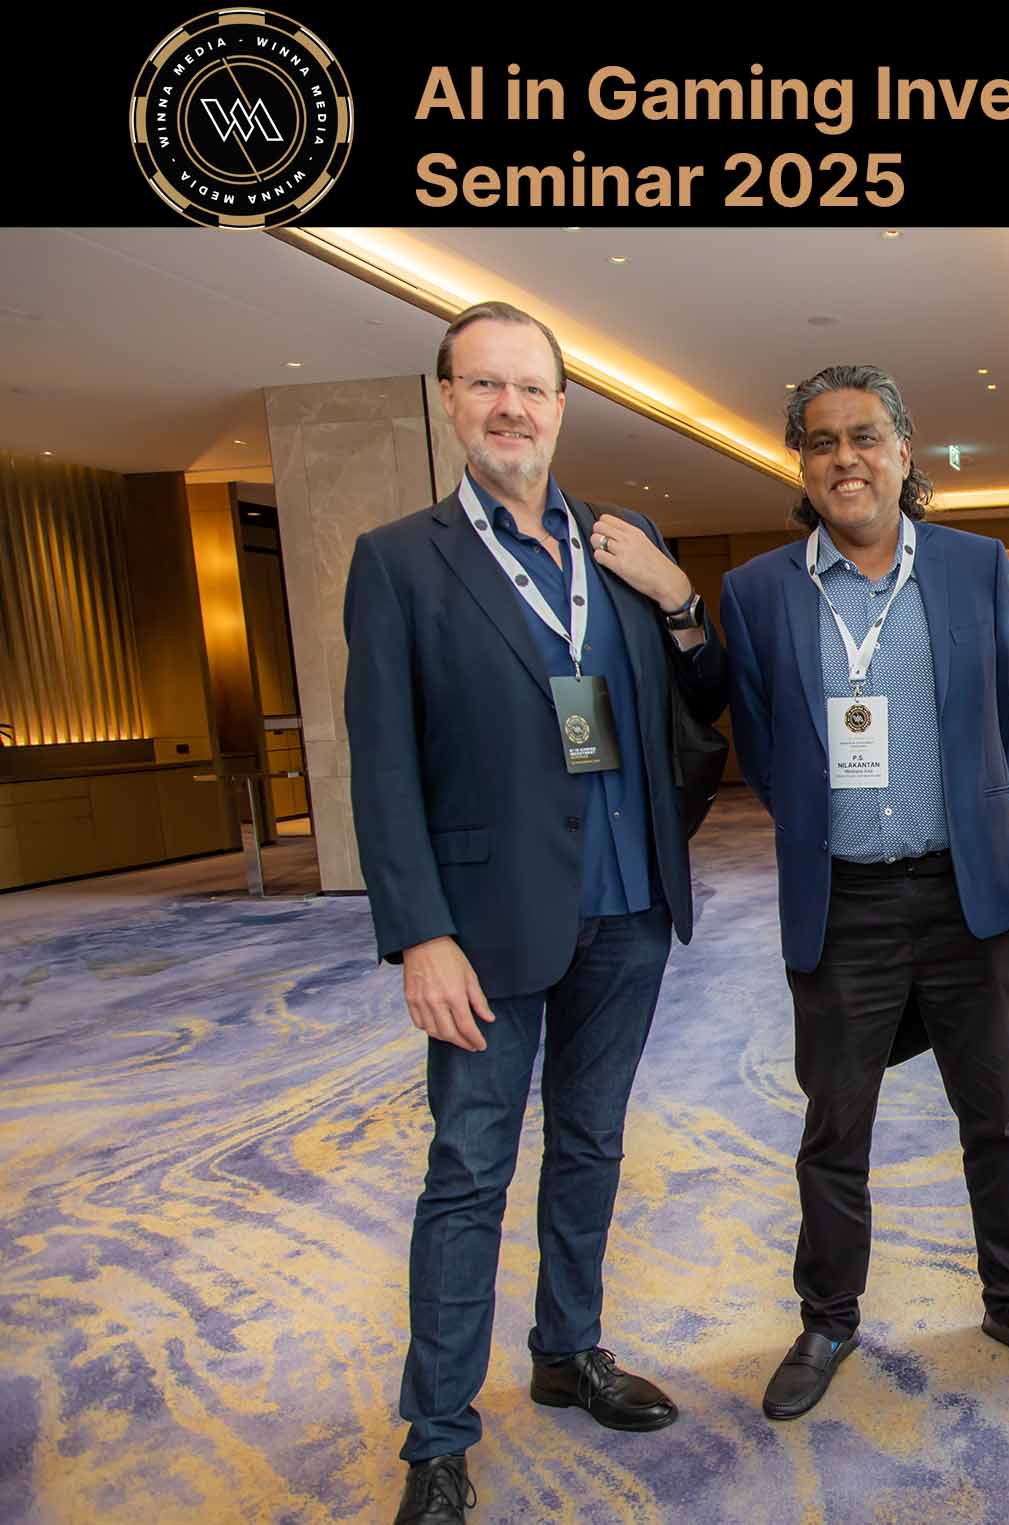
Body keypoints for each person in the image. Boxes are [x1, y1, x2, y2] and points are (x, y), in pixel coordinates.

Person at [343, 301, 727, 1523]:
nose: (510, 407)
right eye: (485, 384)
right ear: (449, 401)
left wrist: (680, 599)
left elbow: (710, 695)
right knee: (467, 1169)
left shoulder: (624, 543)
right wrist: (421, 933)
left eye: (532, 387)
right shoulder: (398, 560)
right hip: (484, 927)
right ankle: (437, 1437)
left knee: (594, 1142)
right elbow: (382, 766)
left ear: (562, 406)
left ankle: (568, 1350)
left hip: (628, 905)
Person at [720, 363, 1009, 1420]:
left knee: (997, 1117)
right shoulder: (758, 591)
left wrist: (964, 816)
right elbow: (763, 748)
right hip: (842, 901)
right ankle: (828, 1317)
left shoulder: (977, 567)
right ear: (802, 463)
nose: (846, 457)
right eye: (822, 441)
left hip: (966, 893)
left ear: (902, 450)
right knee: (835, 1127)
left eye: (865, 436)